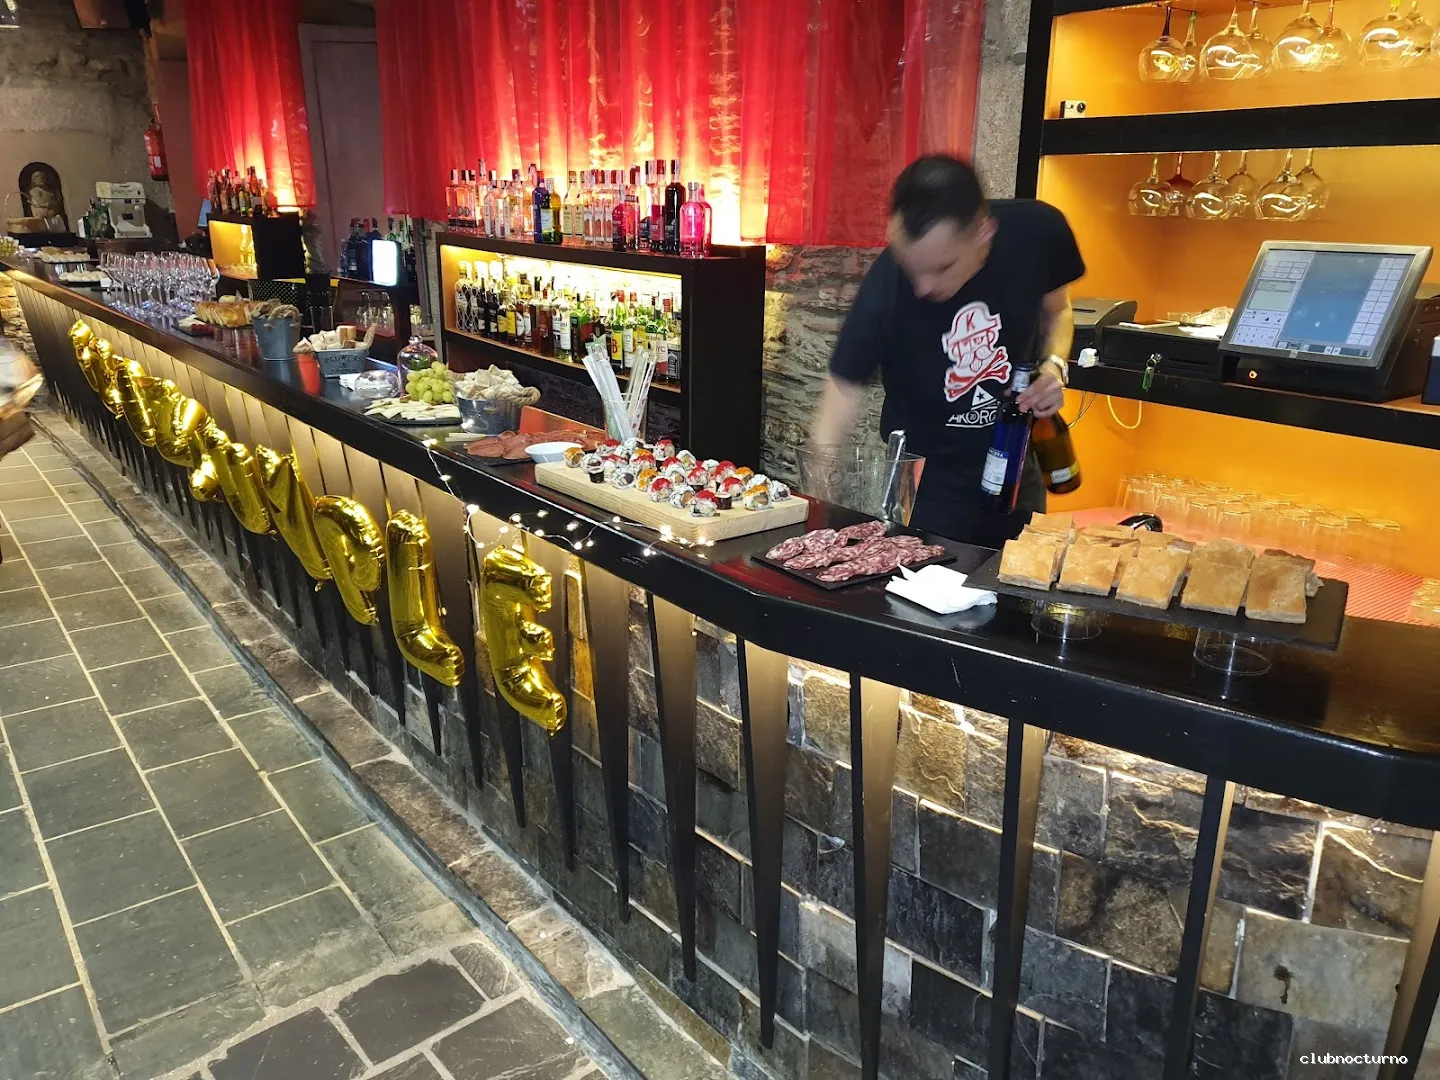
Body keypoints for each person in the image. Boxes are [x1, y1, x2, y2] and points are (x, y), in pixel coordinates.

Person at [811, 155, 1085, 548]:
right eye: (911, 266)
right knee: (918, 582)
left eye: (942, 268)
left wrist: (1054, 367)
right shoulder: (886, 285)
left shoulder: (1038, 232)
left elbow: (1057, 311)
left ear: (983, 233)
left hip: (1012, 454)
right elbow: (841, 390)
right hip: (924, 473)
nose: (923, 287)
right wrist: (819, 504)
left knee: (1012, 578)